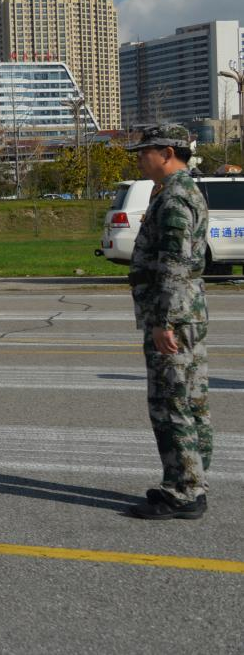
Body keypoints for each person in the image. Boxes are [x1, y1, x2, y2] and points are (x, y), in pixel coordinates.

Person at [125, 124, 212, 520]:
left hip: (173, 315)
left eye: (145, 151)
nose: (140, 157)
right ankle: (188, 479)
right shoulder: (177, 191)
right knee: (189, 400)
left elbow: (174, 266)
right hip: (185, 313)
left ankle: (184, 491)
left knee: (171, 402)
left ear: (166, 152)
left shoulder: (176, 197)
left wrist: (164, 322)